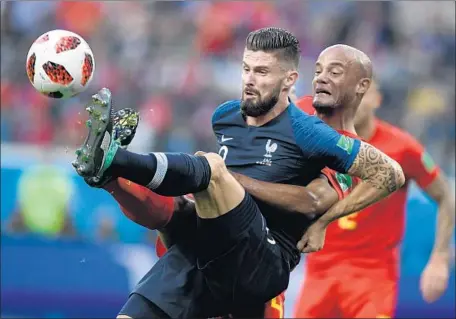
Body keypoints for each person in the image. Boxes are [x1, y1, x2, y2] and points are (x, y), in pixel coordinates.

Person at [73, 27, 405, 316]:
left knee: (213, 170)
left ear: (361, 86)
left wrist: (321, 222)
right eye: (318, 69)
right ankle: (108, 172)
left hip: (261, 262)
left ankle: (118, 160)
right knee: (181, 205)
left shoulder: (327, 140)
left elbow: (312, 201)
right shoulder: (237, 115)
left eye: (335, 72)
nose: (321, 77)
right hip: (211, 245)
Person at [294, 82, 455, 318]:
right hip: (320, 270)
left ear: (376, 99)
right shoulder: (318, 140)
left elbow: (445, 195)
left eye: (362, 94)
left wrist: (439, 257)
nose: (354, 101)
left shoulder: (403, 148)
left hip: (372, 273)